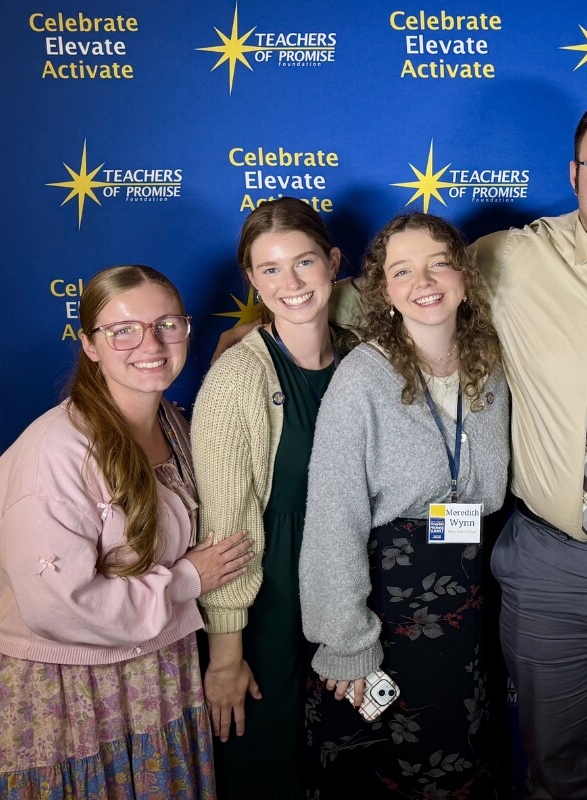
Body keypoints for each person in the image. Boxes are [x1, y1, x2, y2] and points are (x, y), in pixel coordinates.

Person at [214, 98, 587, 798]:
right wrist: (269, 331)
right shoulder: (512, 255)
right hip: (553, 565)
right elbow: (389, 292)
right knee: (555, 769)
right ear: (575, 173)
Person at [0, 265, 251, 798]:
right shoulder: (56, 454)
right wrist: (184, 582)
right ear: (89, 345)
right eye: (123, 330)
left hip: (155, 671)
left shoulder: (171, 422)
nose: (149, 343)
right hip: (69, 692)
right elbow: (57, 606)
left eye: (166, 324)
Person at [299, 212, 509, 798]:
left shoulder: (489, 363)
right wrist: (346, 641)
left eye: (440, 263)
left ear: (465, 276)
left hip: (466, 606)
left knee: (457, 759)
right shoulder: (362, 378)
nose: (425, 281)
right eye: (403, 270)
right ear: (385, 292)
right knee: (391, 767)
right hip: (388, 606)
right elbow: (333, 515)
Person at [192, 198, 354, 797]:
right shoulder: (241, 377)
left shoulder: (365, 356)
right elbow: (227, 532)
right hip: (271, 595)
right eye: (270, 269)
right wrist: (226, 654)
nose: (291, 283)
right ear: (252, 281)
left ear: (334, 262)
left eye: (305, 262)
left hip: (350, 587)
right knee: (270, 758)